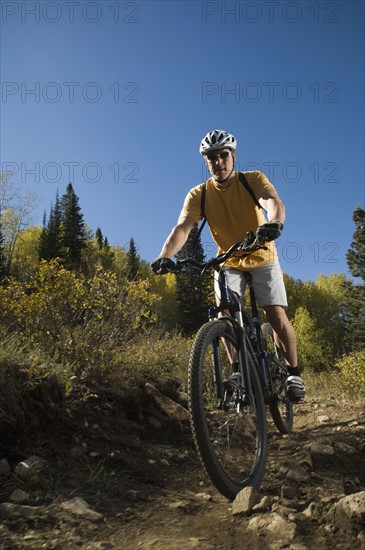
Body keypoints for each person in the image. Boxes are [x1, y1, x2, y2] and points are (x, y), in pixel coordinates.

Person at [151, 130, 305, 402]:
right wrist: (165, 255)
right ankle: (237, 371)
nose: (218, 161)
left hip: (262, 255)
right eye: (212, 157)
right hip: (229, 260)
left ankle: (293, 373)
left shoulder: (252, 179)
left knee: (276, 316)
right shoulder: (199, 194)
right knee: (223, 315)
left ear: (233, 157)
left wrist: (274, 223)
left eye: (223, 155)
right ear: (206, 162)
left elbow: (272, 201)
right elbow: (184, 227)